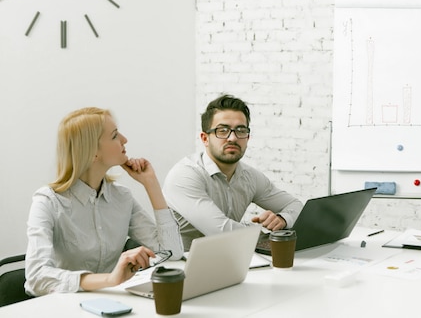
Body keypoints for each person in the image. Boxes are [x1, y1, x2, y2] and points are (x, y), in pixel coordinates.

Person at [25, 107, 183, 296]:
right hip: (65, 305)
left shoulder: (122, 197)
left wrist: (151, 184)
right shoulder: (48, 201)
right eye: (115, 135)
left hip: (114, 303)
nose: (125, 140)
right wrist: (109, 279)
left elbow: (173, 252)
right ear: (92, 152)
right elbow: (36, 278)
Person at [163, 94, 303, 250]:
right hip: (178, 266)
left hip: (229, 259)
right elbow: (221, 231)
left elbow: (295, 205)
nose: (233, 138)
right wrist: (270, 232)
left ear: (247, 137)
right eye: (222, 130)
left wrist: (283, 219)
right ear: (205, 139)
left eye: (240, 130)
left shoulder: (250, 176)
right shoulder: (185, 175)